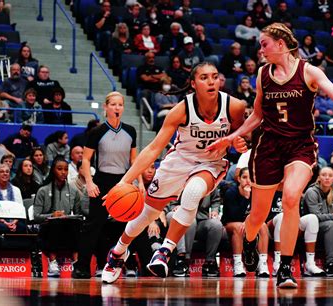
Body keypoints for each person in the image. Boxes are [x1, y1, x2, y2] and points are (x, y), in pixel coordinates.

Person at [207, 23, 333, 288]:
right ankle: (249, 240)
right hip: (269, 147)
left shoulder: (308, 71)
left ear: (280, 44)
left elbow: (332, 89)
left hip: (299, 145)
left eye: (264, 43)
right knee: (257, 215)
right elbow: (257, 114)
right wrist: (234, 136)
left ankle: (286, 267)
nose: (260, 49)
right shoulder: (262, 74)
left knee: (291, 197)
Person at [99, 63, 245, 283]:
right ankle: (118, 252)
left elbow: (239, 134)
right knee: (146, 214)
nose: (211, 81)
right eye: (204, 77)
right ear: (194, 84)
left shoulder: (234, 106)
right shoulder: (182, 110)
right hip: (179, 161)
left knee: (194, 192)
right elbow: (154, 148)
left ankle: (164, 252)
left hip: (210, 164)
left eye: (215, 76)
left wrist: (238, 142)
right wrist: (124, 182)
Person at [72, 92, 140, 279]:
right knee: (93, 225)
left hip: (124, 182)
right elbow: (86, 160)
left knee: (130, 226)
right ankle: (82, 266)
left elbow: (134, 160)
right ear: (106, 107)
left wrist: (139, 182)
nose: (117, 108)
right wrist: (89, 182)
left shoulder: (131, 131)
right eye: (113, 105)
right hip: (102, 181)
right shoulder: (97, 132)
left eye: (120, 105)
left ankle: (130, 264)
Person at [33, 156, 83, 278]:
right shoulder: (43, 190)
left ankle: (77, 264)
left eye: (66, 169)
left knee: (77, 224)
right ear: (53, 171)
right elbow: (36, 216)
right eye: (60, 169)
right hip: (48, 227)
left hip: (67, 226)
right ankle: (53, 263)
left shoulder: (74, 191)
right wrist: (52, 215)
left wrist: (71, 217)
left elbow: (79, 215)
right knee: (55, 223)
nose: (63, 172)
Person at [222, 167, 270, 278]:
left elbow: (261, 215)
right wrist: (246, 197)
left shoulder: (257, 193)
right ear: (238, 179)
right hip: (230, 225)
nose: (248, 181)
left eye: (250, 178)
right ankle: (238, 264)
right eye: (244, 177)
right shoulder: (231, 192)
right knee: (239, 226)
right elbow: (234, 215)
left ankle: (263, 264)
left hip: (249, 225)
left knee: (263, 225)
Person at [0, 164, 26, 234]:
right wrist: (5, 223)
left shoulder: (16, 190)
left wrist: (14, 223)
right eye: (2, 172)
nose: (5, 173)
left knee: (22, 227)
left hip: (15, 220)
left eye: (7, 172)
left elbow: (20, 210)